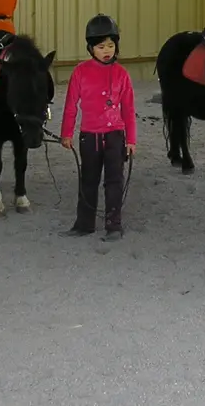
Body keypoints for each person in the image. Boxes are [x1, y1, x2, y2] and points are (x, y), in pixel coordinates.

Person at [60, 13, 137, 242]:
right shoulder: (80, 72)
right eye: (101, 46)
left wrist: (131, 140)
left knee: (114, 181)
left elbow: (129, 110)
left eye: (111, 46)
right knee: (88, 180)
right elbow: (71, 106)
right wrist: (66, 133)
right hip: (89, 137)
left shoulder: (122, 74)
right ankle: (84, 224)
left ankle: (114, 225)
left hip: (115, 136)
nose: (107, 51)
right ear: (91, 48)